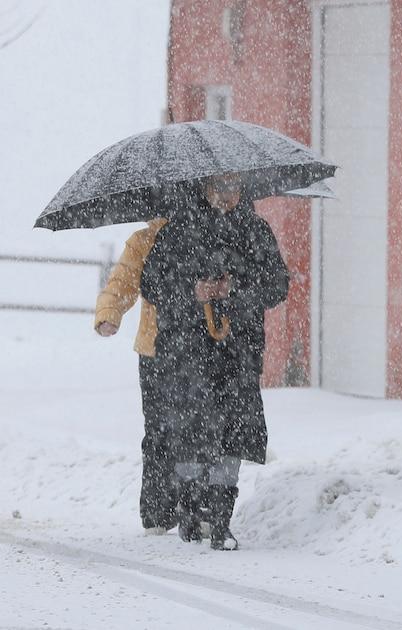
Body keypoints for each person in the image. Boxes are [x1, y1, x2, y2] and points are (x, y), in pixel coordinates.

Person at [94, 174, 288, 550]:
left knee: (229, 436)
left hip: (236, 353)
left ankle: (217, 516)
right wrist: (189, 293)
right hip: (178, 354)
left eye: (234, 188)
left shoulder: (252, 231)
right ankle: (176, 509)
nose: (227, 196)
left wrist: (235, 289)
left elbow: (275, 284)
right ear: (202, 189)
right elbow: (142, 282)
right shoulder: (169, 235)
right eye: (219, 188)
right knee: (177, 435)